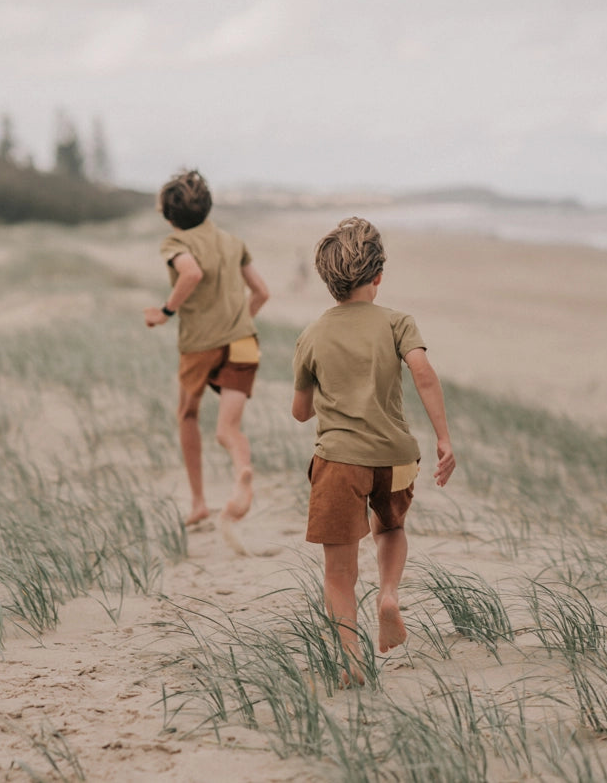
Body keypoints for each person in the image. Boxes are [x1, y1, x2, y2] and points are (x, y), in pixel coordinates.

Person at [291, 217, 456, 682]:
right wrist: (443, 438)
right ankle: (388, 594)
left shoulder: (312, 335)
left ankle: (351, 661)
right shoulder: (398, 322)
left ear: (327, 280)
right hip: (396, 457)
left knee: (339, 572)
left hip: (340, 460)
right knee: (389, 528)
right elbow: (423, 372)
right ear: (378, 275)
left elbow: (301, 412)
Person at [145, 169, 270, 533]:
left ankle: (199, 503)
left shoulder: (174, 243)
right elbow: (262, 293)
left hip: (200, 344)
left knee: (187, 414)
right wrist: (237, 323)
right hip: (244, 342)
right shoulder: (233, 241)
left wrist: (166, 312)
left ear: (169, 217)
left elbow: (191, 274)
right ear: (208, 206)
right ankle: (241, 470)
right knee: (228, 428)